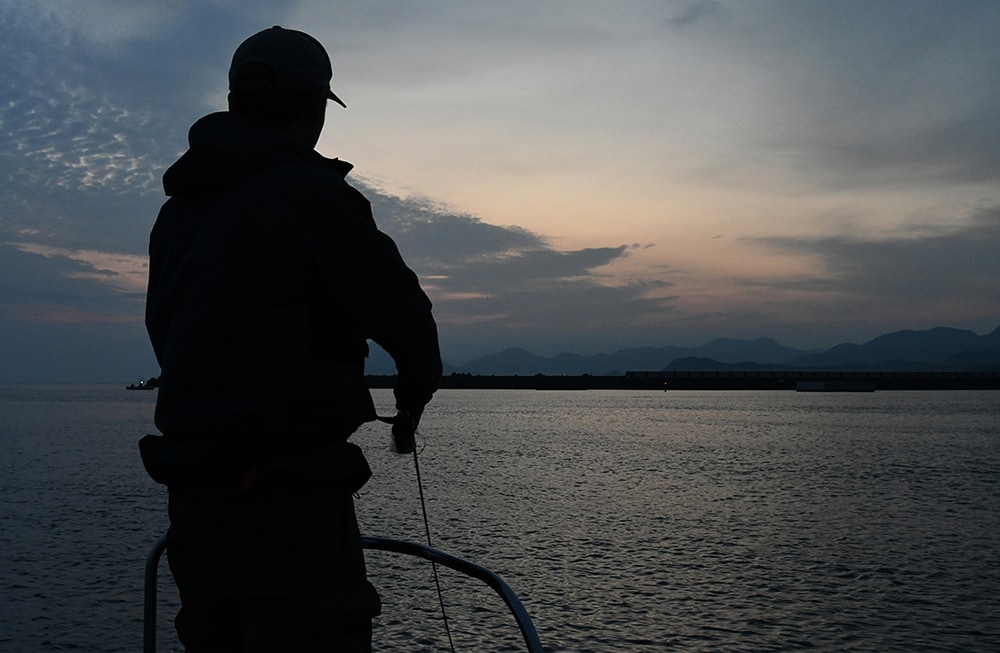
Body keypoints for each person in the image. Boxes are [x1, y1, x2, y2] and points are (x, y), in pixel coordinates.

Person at [139, 26, 442, 652]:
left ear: (234, 102)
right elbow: (406, 319)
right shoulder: (316, 196)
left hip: (195, 506)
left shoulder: (175, 215)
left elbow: (163, 334)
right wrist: (411, 402)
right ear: (314, 110)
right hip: (287, 505)